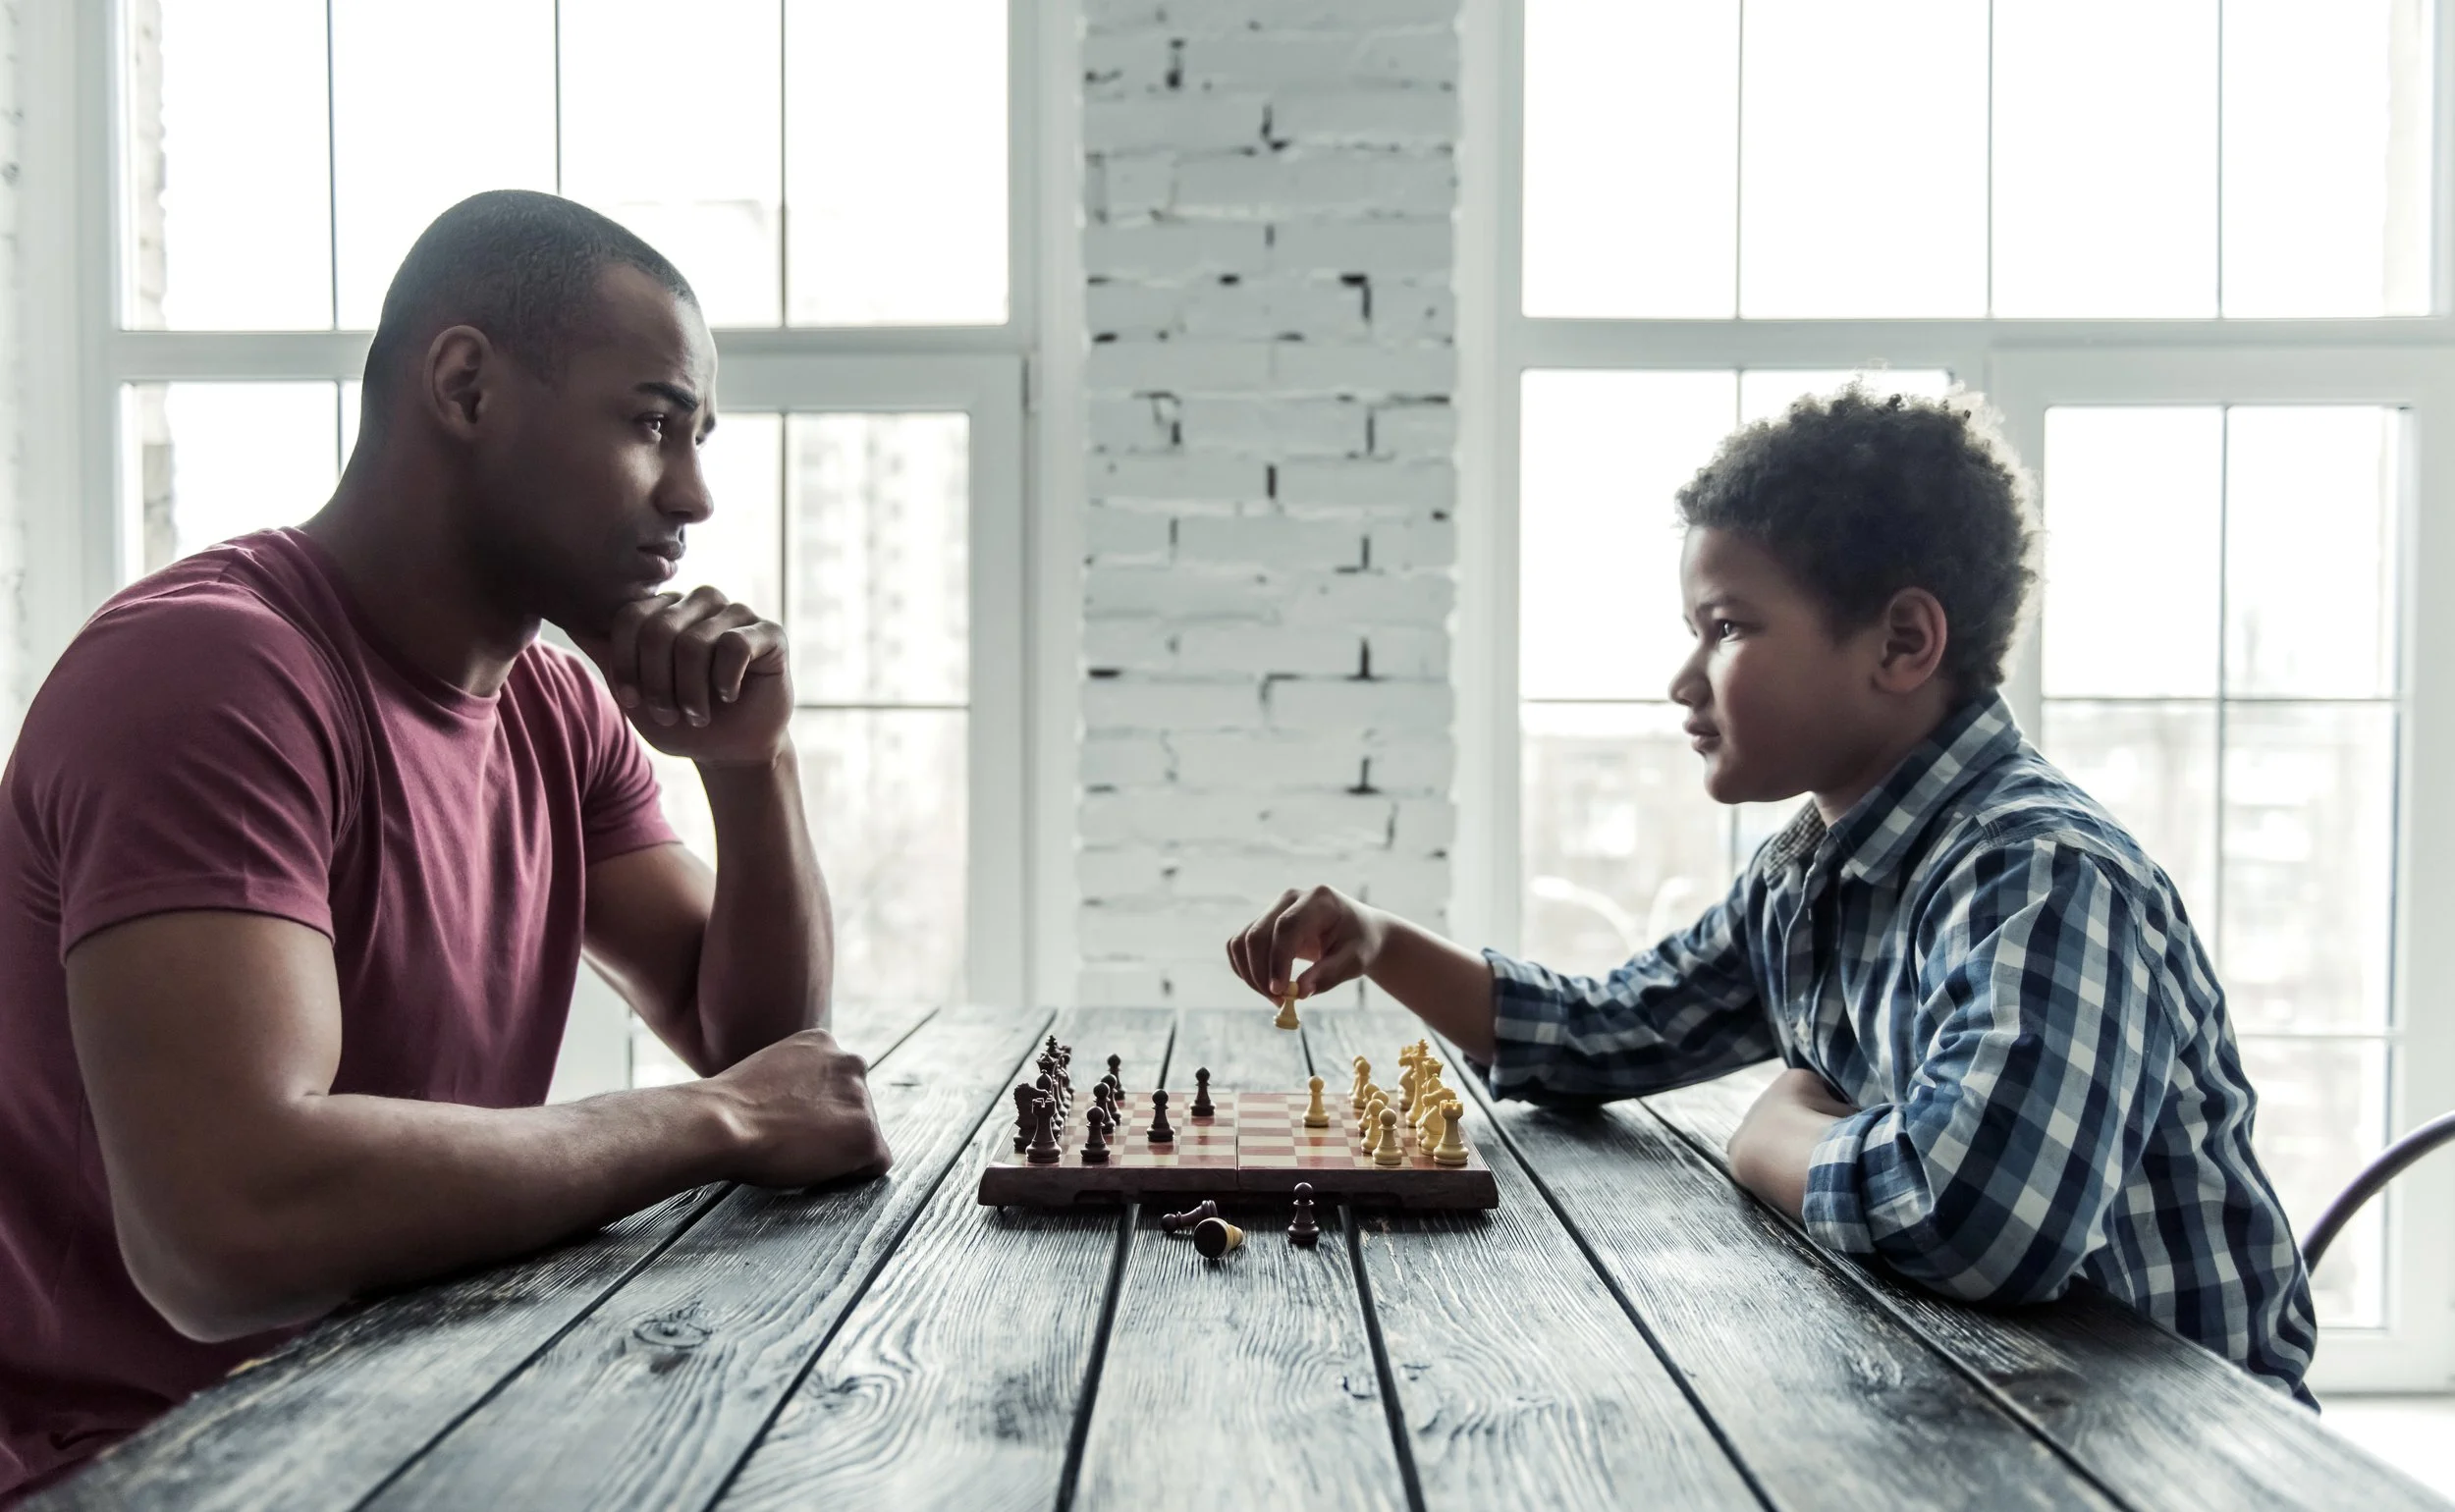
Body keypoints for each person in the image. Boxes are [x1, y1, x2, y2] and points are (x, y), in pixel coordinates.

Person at [0, 190, 893, 1500]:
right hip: (127, 1470)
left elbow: (758, 1045)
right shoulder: (213, 674)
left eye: (699, 439)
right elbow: (224, 1233)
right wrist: (710, 1123)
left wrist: (751, 770)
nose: (694, 494)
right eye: (652, 424)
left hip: (389, 1418)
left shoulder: (552, 703)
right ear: (467, 386)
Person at [1226, 389, 2318, 1402]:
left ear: (1900, 643)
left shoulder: (2043, 876)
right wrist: (1379, 941)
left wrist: (1772, 1140)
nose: (1683, 677)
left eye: (1728, 626)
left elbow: (1977, 1220)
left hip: (2178, 1447)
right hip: (1980, 1401)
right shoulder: (1810, 871)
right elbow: (1607, 1032)